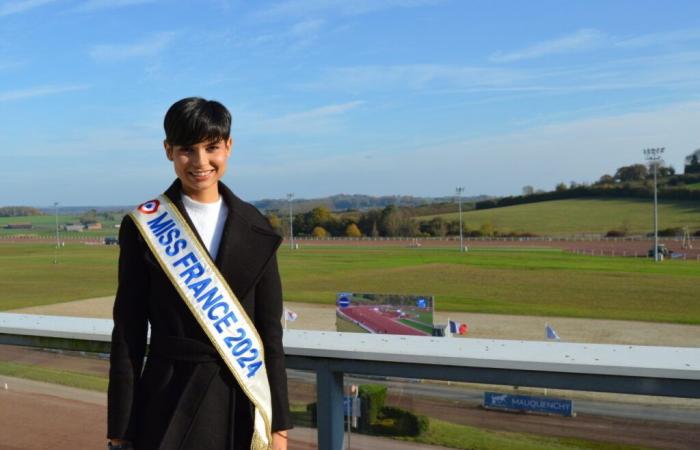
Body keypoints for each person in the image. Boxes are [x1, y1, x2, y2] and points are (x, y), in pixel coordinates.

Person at [107, 97, 292, 450]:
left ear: (229, 147)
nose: (201, 162)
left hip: (241, 405)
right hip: (167, 401)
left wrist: (278, 427)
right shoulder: (144, 225)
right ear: (168, 151)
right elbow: (128, 335)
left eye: (212, 148)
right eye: (187, 150)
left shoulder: (258, 226)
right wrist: (120, 430)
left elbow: (271, 335)